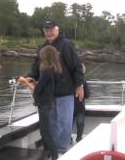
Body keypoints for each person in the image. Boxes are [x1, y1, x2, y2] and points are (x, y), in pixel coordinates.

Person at [25, 20, 84, 154]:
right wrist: (30, 77)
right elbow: (35, 66)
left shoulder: (67, 45)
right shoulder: (43, 47)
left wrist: (79, 85)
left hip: (65, 92)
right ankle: (53, 151)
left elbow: (77, 66)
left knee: (64, 122)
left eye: (51, 29)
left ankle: (62, 150)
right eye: (46, 30)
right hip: (48, 95)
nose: (49, 32)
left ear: (58, 30)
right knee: (51, 124)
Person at [18, 45, 62, 160]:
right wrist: (32, 81)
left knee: (46, 132)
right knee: (44, 130)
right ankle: (48, 153)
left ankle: (54, 155)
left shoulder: (47, 71)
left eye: (42, 55)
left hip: (44, 105)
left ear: (46, 56)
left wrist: (25, 82)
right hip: (48, 103)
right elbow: (43, 87)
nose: (40, 57)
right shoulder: (53, 70)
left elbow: (37, 90)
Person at [72, 63, 90, 143]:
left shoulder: (69, 81)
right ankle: (79, 138)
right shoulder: (83, 82)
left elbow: (87, 94)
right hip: (79, 107)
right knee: (80, 123)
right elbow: (87, 95)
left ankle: (71, 139)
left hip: (71, 107)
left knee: (69, 124)